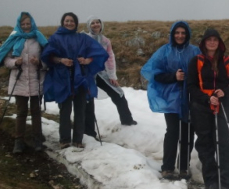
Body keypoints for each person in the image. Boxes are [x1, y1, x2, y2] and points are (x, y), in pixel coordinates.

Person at [141, 21, 200, 180]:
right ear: (172, 34)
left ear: (187, 34)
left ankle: (183, 166)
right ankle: (167, 167)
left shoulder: (194, 51)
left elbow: (203, 71)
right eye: (177, 33)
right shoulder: (164, 52)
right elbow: (154, 73)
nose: (180, 36)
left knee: (188, 132)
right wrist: (174, 77)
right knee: (173, 131)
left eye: (183, 33)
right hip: (172, 98)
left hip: (190, 96)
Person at [187, 29, 229, 189]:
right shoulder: (196, 61)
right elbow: (191, 86)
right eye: (208, 39)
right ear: (203, 42)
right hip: (201, 107)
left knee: (224, 142)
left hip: (223, 106)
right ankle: (211, 179)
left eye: (215, 40)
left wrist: (224, 92)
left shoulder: (227, 61)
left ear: (219, 42)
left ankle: (226, 183)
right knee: (205, 141)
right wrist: (206, 97)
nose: (212, 42)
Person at [41, 12, 109, 149]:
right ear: (62, 22)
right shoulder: (55, 38)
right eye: (67, 21)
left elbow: (99, 53)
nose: (69, 23)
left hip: (81, 77)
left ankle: (78, 139)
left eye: (72, 21)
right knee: (65, 109)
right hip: (62, 78)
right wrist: (61, 60)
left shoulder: (82, 38)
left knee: (80, 109)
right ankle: (64, 139)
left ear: (76, 23)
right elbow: (48, 56)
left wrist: (87, 60)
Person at [0, 12, 48, 153]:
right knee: (21, 112)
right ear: (19, 25)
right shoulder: (14, 38)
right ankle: (18, 142)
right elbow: (6, 60)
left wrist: (39, 62)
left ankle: (37, 140)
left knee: (36, 112)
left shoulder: (39, 38)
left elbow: (48, 59)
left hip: (36, 80)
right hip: (19, 80)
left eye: (28, 24)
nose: (26, 27)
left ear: (32, 23)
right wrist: (15, 62)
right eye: (23, 24)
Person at [84, 16, 137, 139]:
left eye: (98, 22)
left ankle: (127, 120)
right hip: (87, 74)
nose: (96, 25)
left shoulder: (105, 41)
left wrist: (112, 75)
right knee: (87, 101)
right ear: (88, 25)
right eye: (93, 23)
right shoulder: (84, 38)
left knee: (119, 94)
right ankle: (89, 132)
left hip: (102, 73)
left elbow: (110, 58)